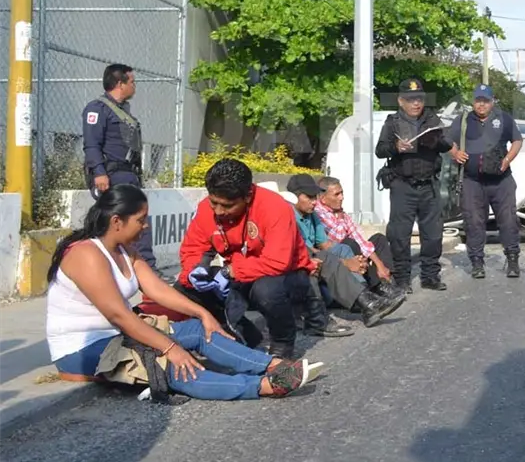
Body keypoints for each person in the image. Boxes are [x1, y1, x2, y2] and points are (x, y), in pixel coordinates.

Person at [45, 183, 325, 401]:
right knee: (170, 364)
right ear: (117, 221)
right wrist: (170, 347)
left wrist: (202, 314)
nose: (146, 227)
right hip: (82, 350)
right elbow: (119, 315)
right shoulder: (85, 254)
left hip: (117, 336)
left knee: (197, 329)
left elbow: (156, 290)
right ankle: (263, 386)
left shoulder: (124, 250)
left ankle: (273, 365)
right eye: (141, 220)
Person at [175, 158, 322, 359]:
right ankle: (241, 336)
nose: (218, 211)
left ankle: (282, 341)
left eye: (227, 206)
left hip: (288, 275)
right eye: (214, 202)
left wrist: (231, 271)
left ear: (248, 196)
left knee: (266, 290)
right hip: (242, 272)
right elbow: (193, 249)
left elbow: (277, 262)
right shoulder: (205, 209)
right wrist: (195, 270)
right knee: (184, 288)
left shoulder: (275, 207)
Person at [287, 174, 406, 326]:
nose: (314, 201)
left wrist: (355, 261)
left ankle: (367, 300)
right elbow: (307, 251)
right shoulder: (289, 216)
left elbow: (325, 244)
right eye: (309, 197)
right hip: (298, 267)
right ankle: (366, 301)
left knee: (344, 248)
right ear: (294, 197)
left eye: (314, 197)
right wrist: (346, 263)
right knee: (343, 247)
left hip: (317, 258)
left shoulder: (312, 214)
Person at [374, 78, 455, 292]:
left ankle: (430, 276)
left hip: (428, 186)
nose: (415, 104)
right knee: (400, 235)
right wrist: (395, 146)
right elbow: (380, 150)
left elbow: (447, 145)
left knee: (433, 233)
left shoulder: (431, 118)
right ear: (401, 101)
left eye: (419, 99)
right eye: (410, 100)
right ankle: (402, 279)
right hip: (403, 185)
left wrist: (438, 140)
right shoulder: (392, 122)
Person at [82, 63, 155, 270]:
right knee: (133, 221)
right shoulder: (98, 109)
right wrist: (99, 173)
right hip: (112, 176)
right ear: (120, 84)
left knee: (136, 222)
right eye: (132, 82)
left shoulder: (123, 111)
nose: (135, 86)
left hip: (128, 173)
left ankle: (140, 267)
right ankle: (145, 268)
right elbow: (91, 144)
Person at [447, 84, 523, 279]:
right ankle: (477, 262)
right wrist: (455, 153)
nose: (481, 104)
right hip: (472, 181)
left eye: (485, 101)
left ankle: (513, 259)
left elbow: (517, 140)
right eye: (478, 100)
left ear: (492, 101)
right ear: (473, 101)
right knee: (473, 222)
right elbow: (446, 140)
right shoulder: (463, 120)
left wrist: (508, 160)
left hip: (501, 181)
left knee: (507, 221)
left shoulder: (503, 118)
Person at [314, 176, 407, 296]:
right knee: (349, 243)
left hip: (353, 252)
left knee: (379, 239)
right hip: (337, 257)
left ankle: (386, 279)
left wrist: (379, 265)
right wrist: (341, 218)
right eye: (337, 194)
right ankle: (376, 286)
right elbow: (338, 237)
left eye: (342, 193)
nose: (342, 198)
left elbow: (359, 238)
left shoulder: (338, 211)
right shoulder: (318, 213)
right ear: (323, 198)